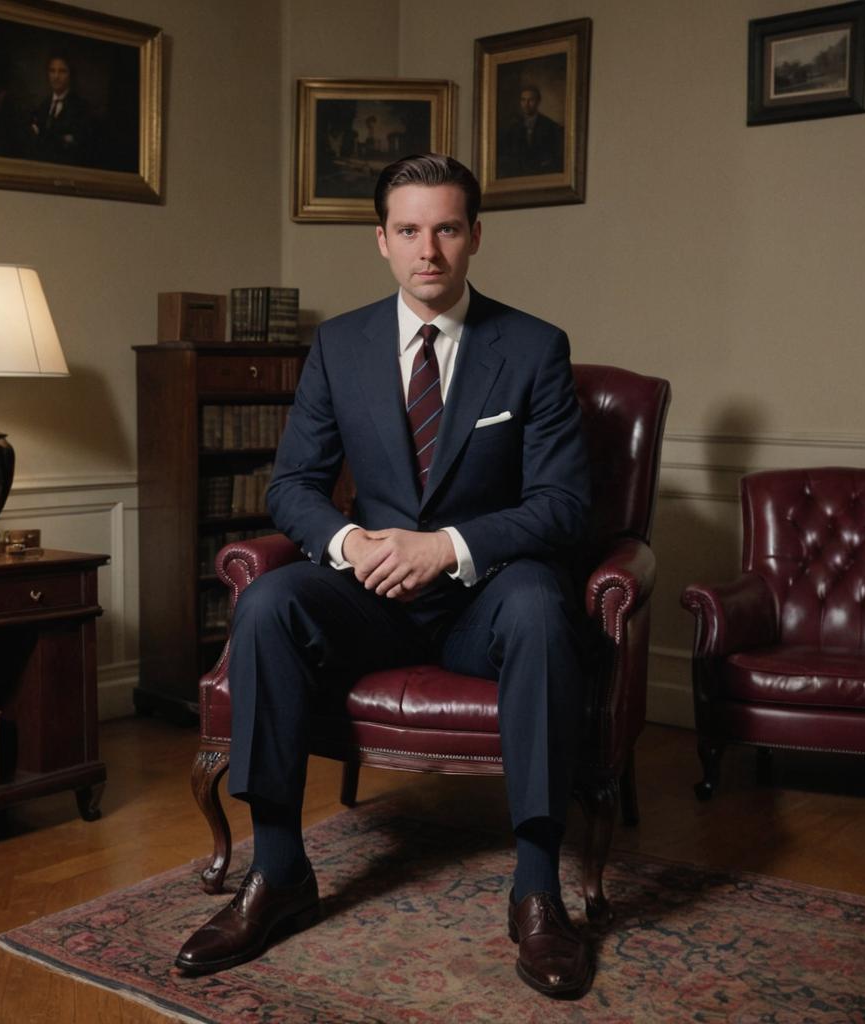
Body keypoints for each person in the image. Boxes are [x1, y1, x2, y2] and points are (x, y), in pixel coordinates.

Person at [175, 154, 593, 999]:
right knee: (267, 603)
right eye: (409, 230)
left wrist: (446, 546)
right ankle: (282, 871)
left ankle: (538, 888)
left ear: (476, 236)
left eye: (445, 228)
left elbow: (564, 506)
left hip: (487, 597)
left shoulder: (535, 347)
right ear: (381, 240)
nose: (427, 250)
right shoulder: (341, 344)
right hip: (370, 596)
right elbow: (290, 485)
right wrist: (351, 544)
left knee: (544, 602)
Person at [28, 54, 92, 165]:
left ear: (70, 75)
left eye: (62, 71)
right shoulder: (42, 106)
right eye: (52, 71)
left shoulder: (81, 107)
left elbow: (79, 144)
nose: (56, 76)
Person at [498, 84, 564, 178]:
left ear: (538, 102)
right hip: (518, 177)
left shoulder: (550, 126)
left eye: (531, 100)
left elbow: (555, 158)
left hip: (542, 176)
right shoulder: (513, 127)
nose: (526, 104)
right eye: (523, 100)